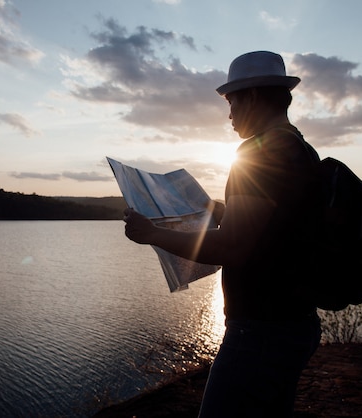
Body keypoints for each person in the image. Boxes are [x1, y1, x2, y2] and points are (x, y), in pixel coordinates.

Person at [123, 51, 322, 417]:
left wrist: (153, 233)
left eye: (231, 101)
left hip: (261, 332)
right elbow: (274, 231)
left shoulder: (260, 154)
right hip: (292, 324)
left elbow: (234, 246)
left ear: (252, 97)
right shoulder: (299, 149)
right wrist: (224, 212)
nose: (229, 114)